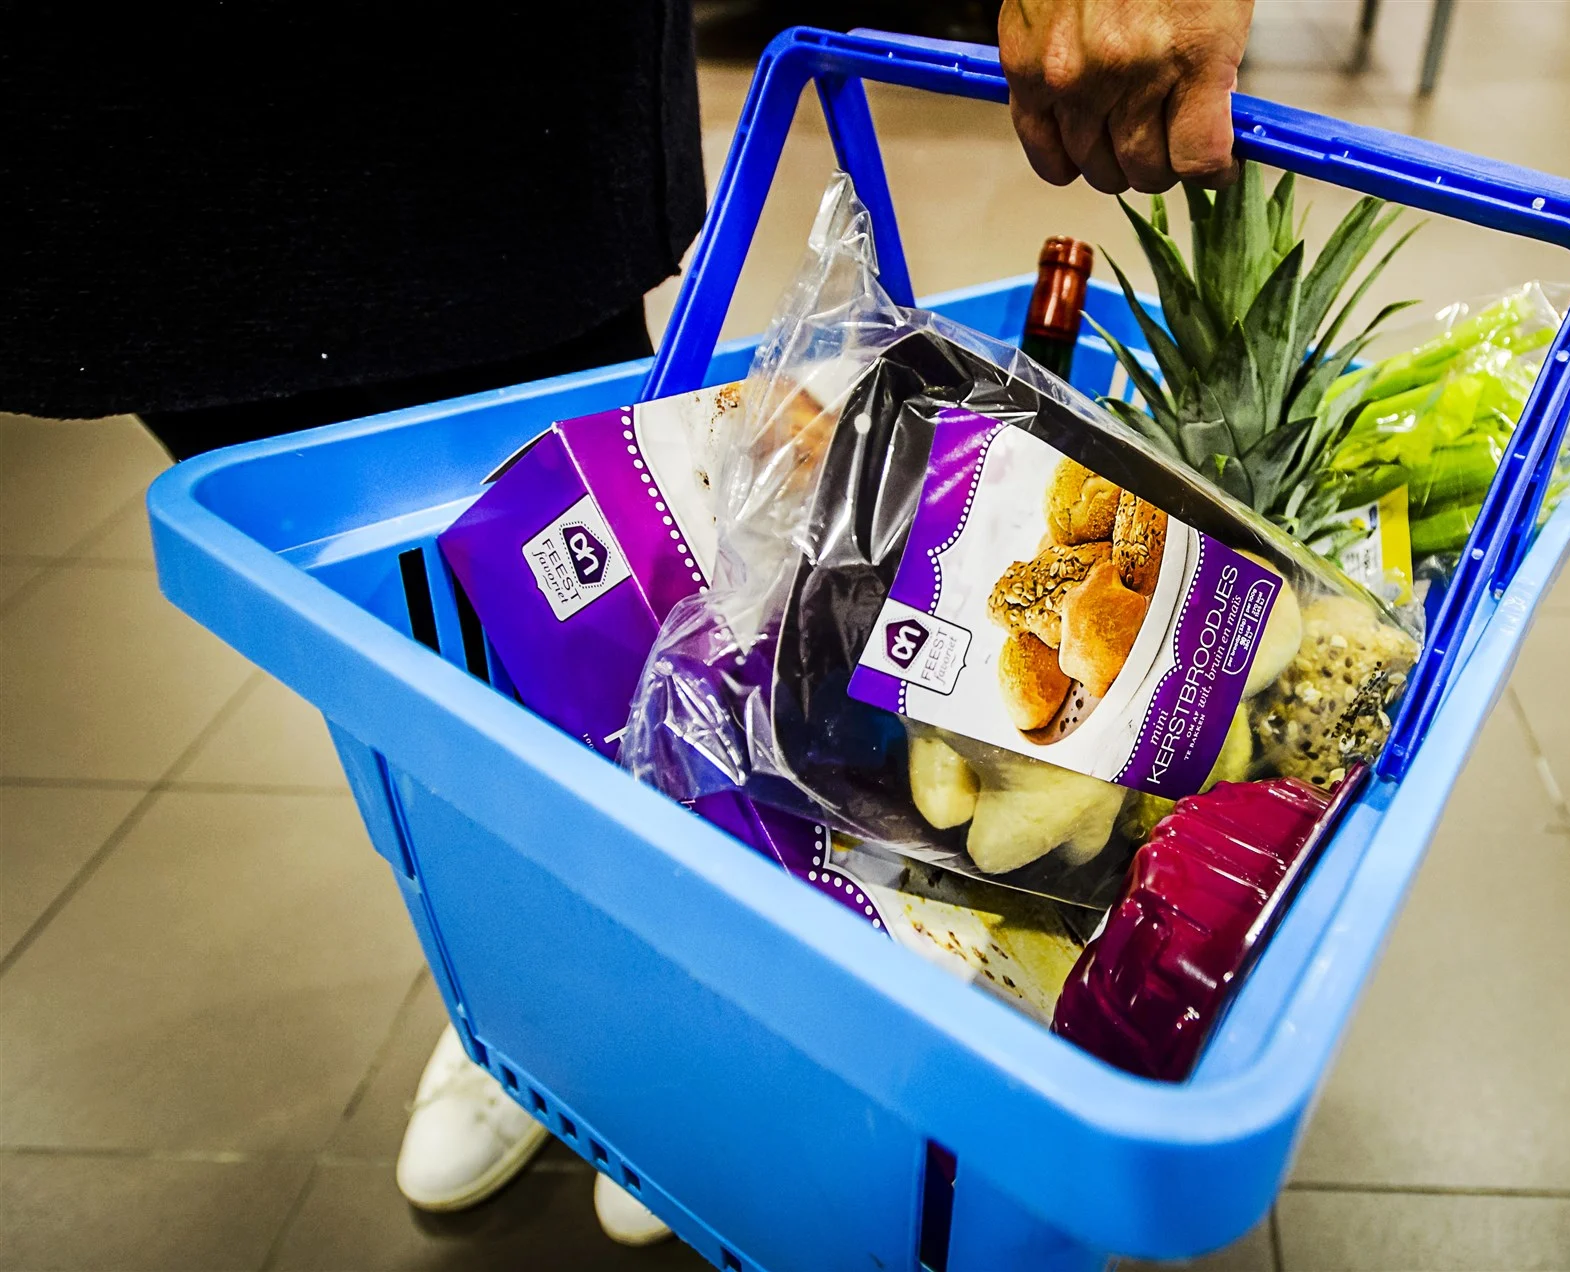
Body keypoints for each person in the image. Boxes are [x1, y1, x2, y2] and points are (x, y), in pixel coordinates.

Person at [2, 0, 1253, 1248]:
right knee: (419, 664)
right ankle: (552, 988)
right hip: (144, 153)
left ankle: (677, 997)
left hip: (495, 125)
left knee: (589, 531)